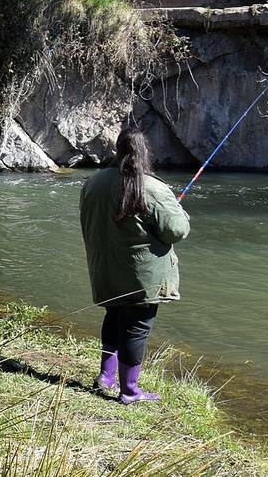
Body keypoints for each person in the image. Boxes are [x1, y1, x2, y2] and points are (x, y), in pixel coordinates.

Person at [80, 124, 191, 404]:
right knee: (136, 328)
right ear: (144, 153)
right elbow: (177, 231)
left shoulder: (92, 183)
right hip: (142, 279)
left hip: (104, 271)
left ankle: (106, 377)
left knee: (114, 317)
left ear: (118, 149)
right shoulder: (152, 188)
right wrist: (178, 210)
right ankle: (130, 391)